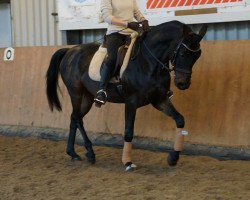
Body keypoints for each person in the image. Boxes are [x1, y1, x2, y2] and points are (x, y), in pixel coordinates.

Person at [94, 0, 149, 107]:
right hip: (115, 32)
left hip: (132, 32)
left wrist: (143, 20)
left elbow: (136, 12)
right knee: (112, 58)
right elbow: (107, 17)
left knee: (146, 51)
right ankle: (101, 90)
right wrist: (127, 24)